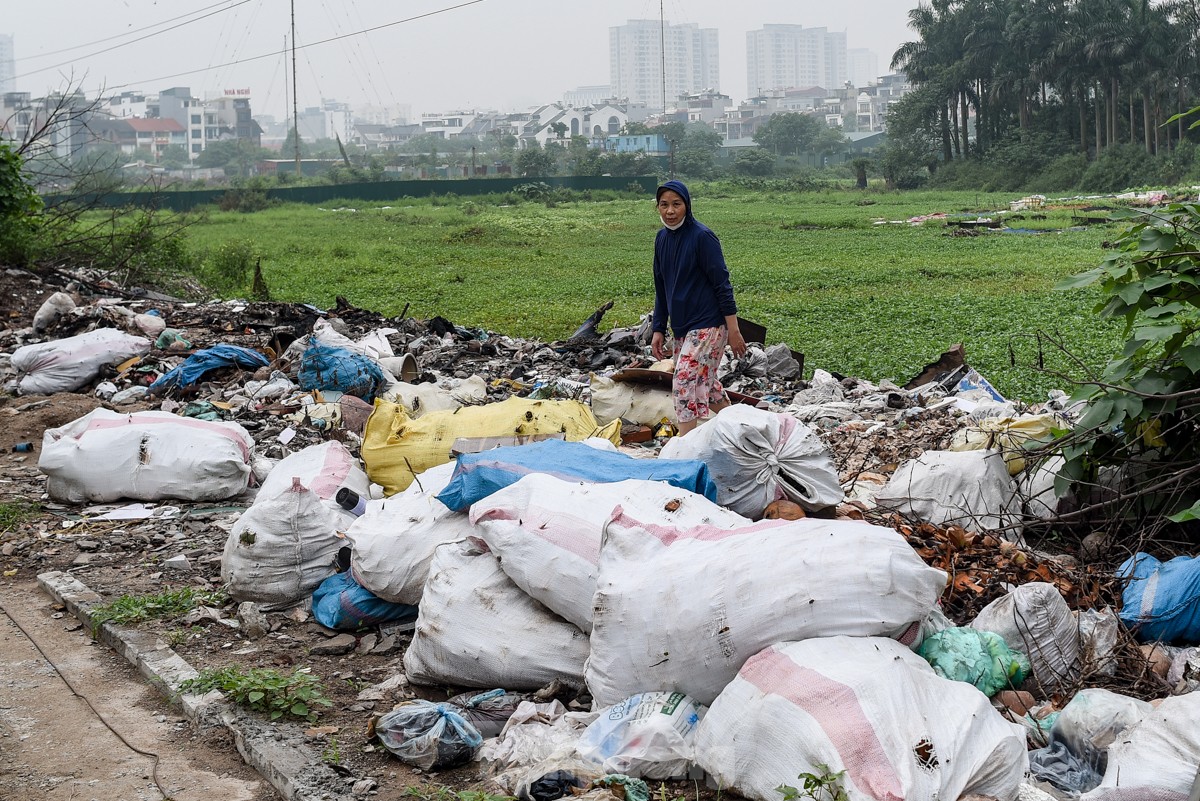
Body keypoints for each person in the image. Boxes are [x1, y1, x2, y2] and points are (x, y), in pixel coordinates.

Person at [650, 179, 747, 435]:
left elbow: (722, 284)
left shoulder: (702, 237)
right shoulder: (661, 240)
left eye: (676, 204)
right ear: (657, 207)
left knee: (683, 382)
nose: (670, 211)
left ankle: (686, 447)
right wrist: (658, 328)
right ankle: (742, 429)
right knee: (707, 381)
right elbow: (661, 287)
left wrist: (733, 330)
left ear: (687, 206)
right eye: (664, 205)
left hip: (709, 324)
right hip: (683, 326)